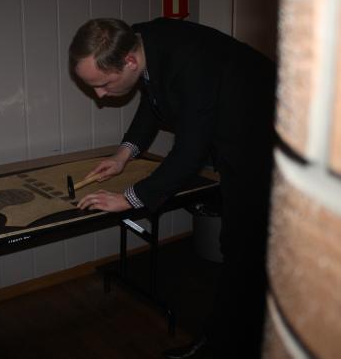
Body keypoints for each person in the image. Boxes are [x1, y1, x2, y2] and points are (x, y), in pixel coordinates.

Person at [69, 18, 276, 358]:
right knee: (238, 245)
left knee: (245, 245)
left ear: (129, 62)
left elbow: (190, 150)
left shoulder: (190, 61)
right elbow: (152, 99)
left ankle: (236, 344)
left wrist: (130, 198)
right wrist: (123, 155)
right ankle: (226, 338)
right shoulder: (137, 40)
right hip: (234, 128)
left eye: (103, 84)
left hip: (266, 131)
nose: (99, 95)